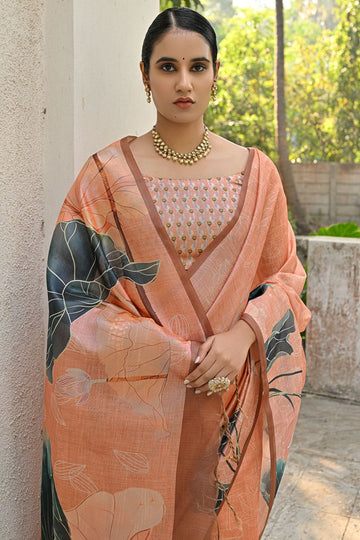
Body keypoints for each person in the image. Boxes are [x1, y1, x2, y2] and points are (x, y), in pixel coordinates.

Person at [41, 7, 310, 539]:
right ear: (144, 76)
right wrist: (177, 355)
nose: (183, 82)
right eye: (167, 67)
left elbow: (285, 276)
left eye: (197, 66)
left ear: (216, 75)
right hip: (135, 416)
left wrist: (243, 334)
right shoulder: (105, 178)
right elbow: (70, 304)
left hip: (228, 403)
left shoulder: (258, 176)